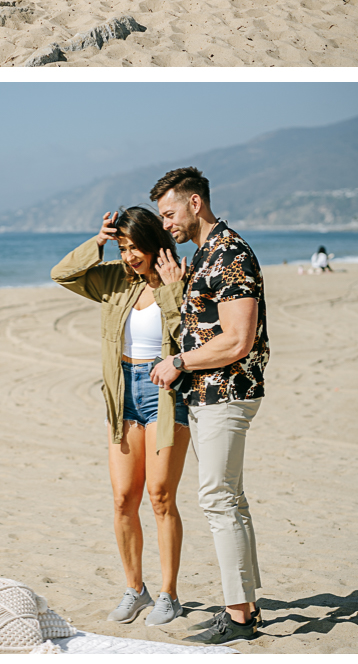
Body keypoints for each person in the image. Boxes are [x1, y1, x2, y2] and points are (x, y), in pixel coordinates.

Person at [51, 207, 191, 627]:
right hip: (122, 393)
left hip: (165, 392)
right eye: (123, 247)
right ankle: (136, 589)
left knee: (161, 497)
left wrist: (171, 288)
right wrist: (96, 242)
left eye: (136, 247)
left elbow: (186, 334)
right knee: (122, 499)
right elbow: (63, 274)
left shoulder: (176, 278)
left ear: (154, 243)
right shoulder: (113, 279)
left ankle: (169, 594)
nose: (130, 256)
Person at [149, 167, 268, 646]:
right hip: (208, 395)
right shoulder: (203, 255)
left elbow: (237, 340)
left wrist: (177, 361)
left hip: (228, 393)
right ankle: (245, 608)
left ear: (195, 203)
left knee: (218, 500)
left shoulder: (231, 253)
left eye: (169, 213)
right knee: (229, 501)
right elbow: (202, 323)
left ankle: (238, 616)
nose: (166, 224)